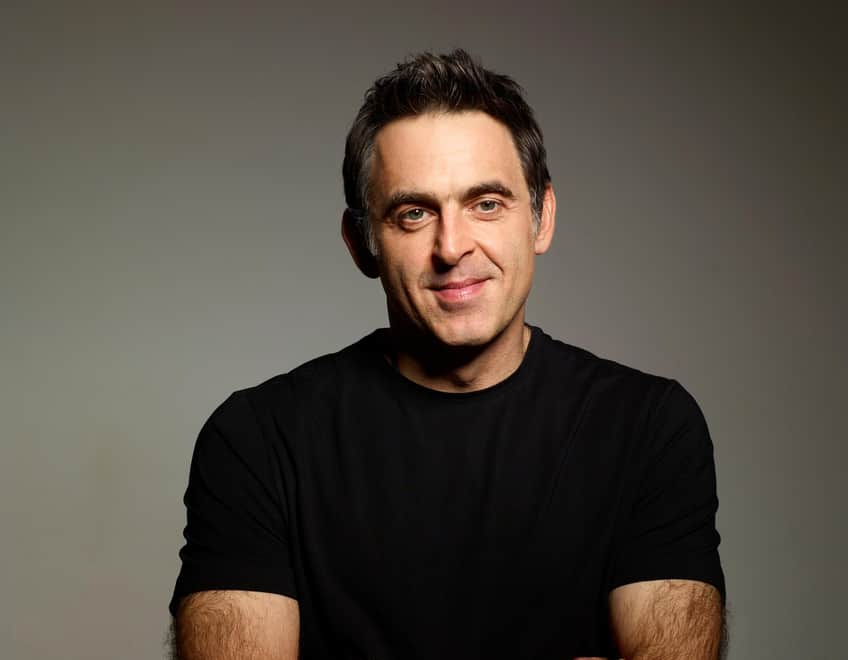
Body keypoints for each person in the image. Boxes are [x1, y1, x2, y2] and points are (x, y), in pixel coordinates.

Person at [169, 49, 725, 659]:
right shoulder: (256, 440)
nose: (452, 247)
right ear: (362, 244)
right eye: (414, 213)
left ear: (541, 219)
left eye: (486, 204)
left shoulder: (648, 428)